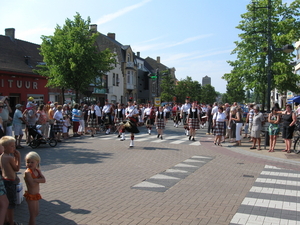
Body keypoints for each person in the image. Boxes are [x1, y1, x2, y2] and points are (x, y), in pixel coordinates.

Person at [0, 136, 21, 225]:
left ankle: (5, 220)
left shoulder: (2, 156)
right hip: (10, 182)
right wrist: (18, 158)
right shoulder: (9, 158)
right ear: (4, 147)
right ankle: (11, 222)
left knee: (5, 204)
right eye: (12, 146)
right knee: (11, 204)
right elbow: (16, 168)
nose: (14, 148)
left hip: (5, 180)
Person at [24, 151, 46, 225]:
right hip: (31, 196)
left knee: (36, 213)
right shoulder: (28, 172)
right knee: (33, 215)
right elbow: (32, 184)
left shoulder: (37, 171)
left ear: (37, 162)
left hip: (36, 195)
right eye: (28, 162)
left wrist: (35, 179)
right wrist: (38, 180)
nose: (29, 164)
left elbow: (44, 180)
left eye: (32, 162)